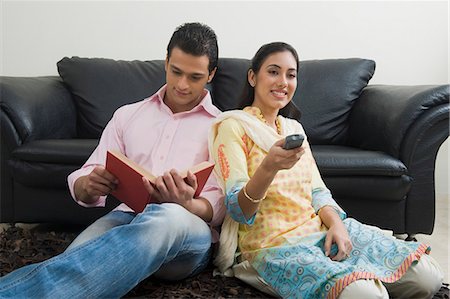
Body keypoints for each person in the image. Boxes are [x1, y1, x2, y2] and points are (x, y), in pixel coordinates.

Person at [0, 22, 225, 298]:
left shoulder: (222, 127)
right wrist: (88, 184)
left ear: (211, 74)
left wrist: (187, 203)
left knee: (166, 216)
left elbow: (224, 204)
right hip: (125, 218)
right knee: (74, 262)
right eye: (176, 71)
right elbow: (88, 175)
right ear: (166, 61)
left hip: (186, 234)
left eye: (195, 77)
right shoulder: (128, 115)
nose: (181, 85)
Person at [209, 42, 443, 299]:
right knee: (366, 295)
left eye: (291, 74)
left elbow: (318, 191)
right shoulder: (233, 127)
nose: (283, 82)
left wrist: (337, 226)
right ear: (253, 77)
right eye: (273, 72)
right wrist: (268, 168)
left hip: (318, 231)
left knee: (426, 277)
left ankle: (360, 272)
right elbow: (238, 209)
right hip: (272, 246)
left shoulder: (294, 129)